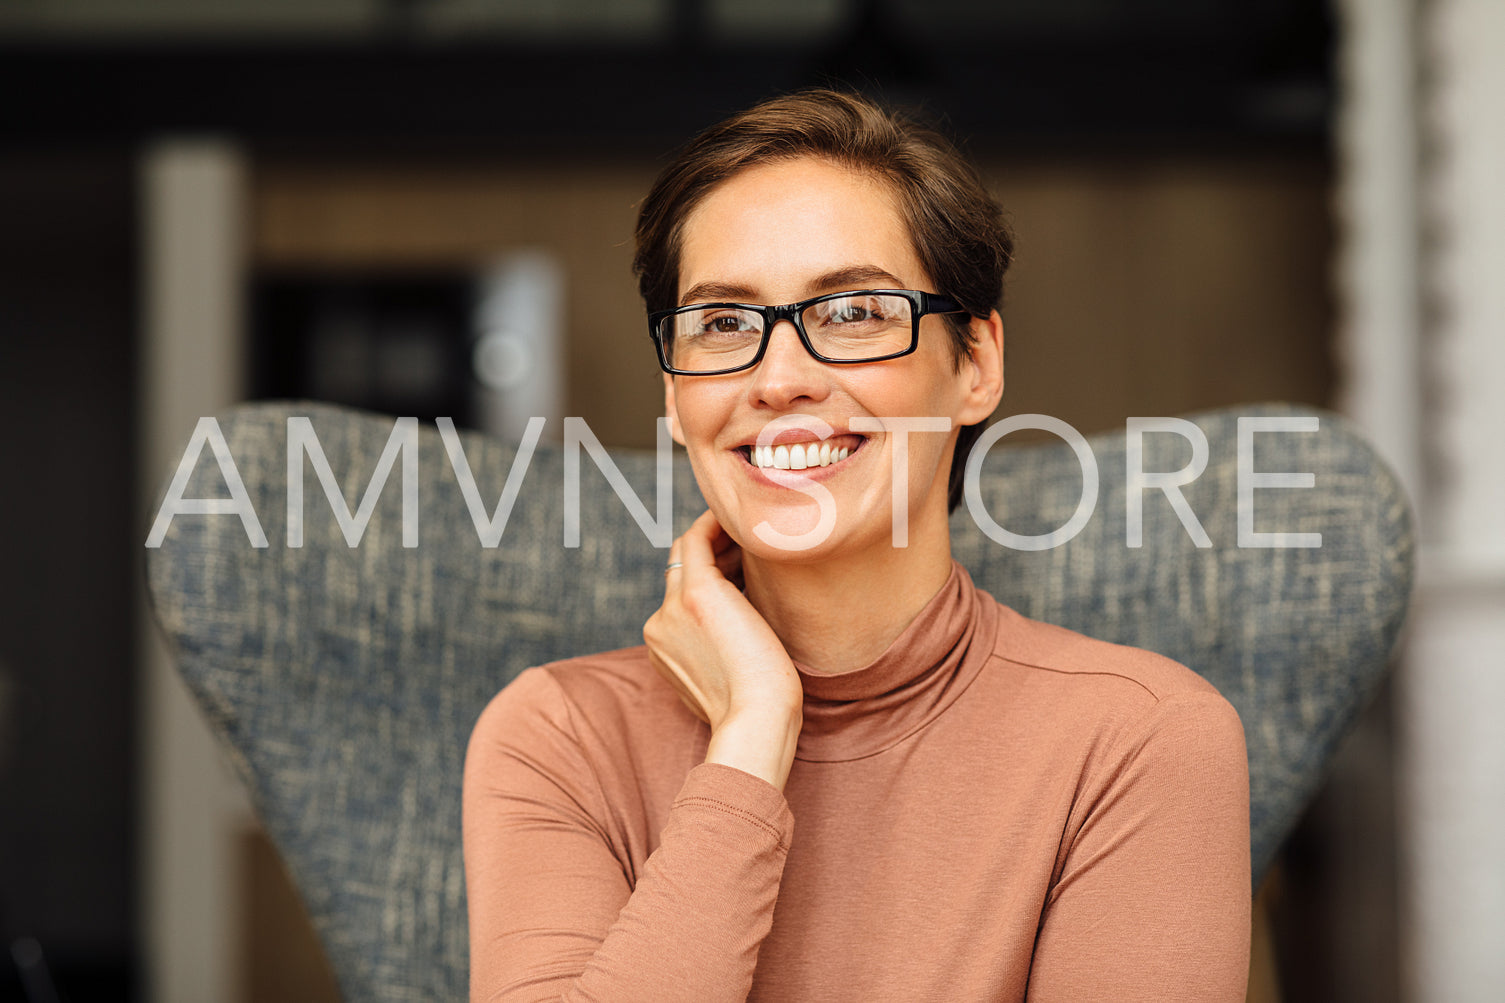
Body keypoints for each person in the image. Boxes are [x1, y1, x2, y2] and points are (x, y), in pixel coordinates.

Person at [463, 89, 1251, 1001]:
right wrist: (753, 736)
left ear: (976, 364)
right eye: (722, 323)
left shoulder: (1139, 739)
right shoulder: (556, 735)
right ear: (674, 398)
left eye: (853, 313)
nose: (778, 377)